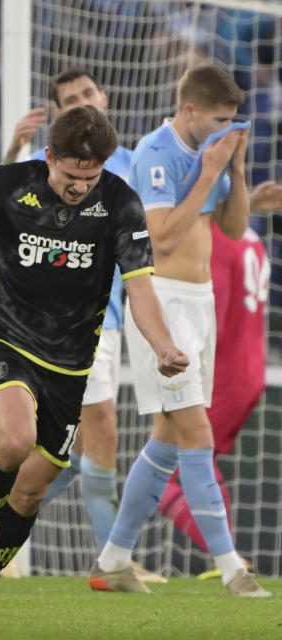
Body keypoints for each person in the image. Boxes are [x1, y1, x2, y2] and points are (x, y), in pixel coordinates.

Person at [0, 105, 187, 634]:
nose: (79, 188)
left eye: (90, 178)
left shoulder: (120, 204)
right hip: (5, 337)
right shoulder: (6, 183)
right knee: (15, 439)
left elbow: (140, 287)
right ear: (50, 157)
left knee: (30, 492)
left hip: (70, 365)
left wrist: (163, 345)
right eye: (71, 176)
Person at [91, 63, 270, 598]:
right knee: (197, 434)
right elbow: (162, 238)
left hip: (201, 305)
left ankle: (115, 556)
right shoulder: (156, 152)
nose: (226, 129)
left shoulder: (212, 154)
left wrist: (235, 170)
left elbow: (233, 229)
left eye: (232, 121)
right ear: (190, 110)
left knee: (168, 442)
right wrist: (210, 171)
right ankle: (233, 569)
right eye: (220, 120)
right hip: (161, 306)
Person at [4, 69, 164, 582]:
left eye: (87, 94)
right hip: (55, 323)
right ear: (56, 114)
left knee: (78, 446)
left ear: (104, 97)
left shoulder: (133, 164)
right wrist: (12, 148)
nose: (81, 103)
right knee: (98, 433)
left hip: (115, 312)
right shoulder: (44, 163)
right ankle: (109, 561)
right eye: (69, 100)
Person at [157, 221, 271, 567]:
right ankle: (229, 558)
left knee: (164, 474)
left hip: (221, 374)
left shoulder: (213, 240)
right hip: (250, 370)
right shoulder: (248, 235)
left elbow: (209, 318)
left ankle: (228, 558)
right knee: (201, 463)